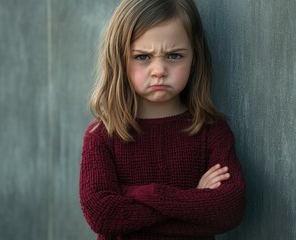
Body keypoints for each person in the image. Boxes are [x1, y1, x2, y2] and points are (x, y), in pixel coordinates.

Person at [79, 0, 246, 239]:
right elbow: (103, 215)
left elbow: (229, 209)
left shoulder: (211, 130)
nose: (159, 70)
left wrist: (135, 194)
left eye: (174, 55)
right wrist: (194, 199)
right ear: (120, 59)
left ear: (194, 58)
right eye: (143, 57)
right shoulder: (103, 135)